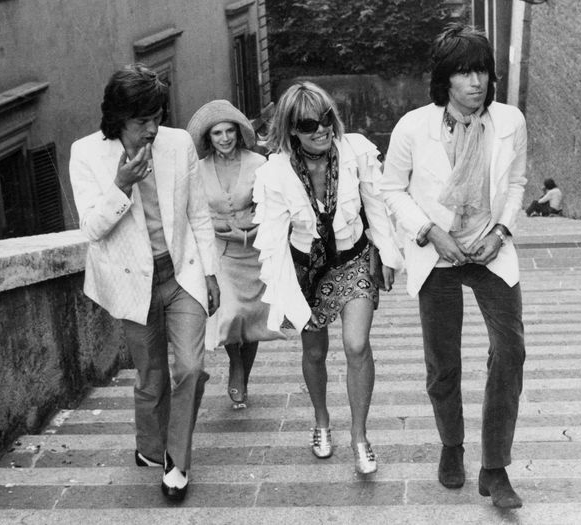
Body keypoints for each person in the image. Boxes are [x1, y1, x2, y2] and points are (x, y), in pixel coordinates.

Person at [380, 24, 527, 509]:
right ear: (445, 80)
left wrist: (502, 232)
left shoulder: (509, 121)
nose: (476, 81)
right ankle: (451, 446)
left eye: (482, 70)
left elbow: (519, 182)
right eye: (464, 72)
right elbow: (391, 189)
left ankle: (495, 466)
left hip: (489, 248)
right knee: (443, 361)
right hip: (435, 251)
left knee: (510, 351)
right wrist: (428, 231)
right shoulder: (412, 126)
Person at [69, 63, 220, 502]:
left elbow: (198, 214)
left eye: (158, 116)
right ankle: (151, 448)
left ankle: (177, 461)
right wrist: (121, 185)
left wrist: (209, 273)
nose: (153, 127)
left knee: (191, 368)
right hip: (132, 284)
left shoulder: (178, 145)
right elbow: (92, 229)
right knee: (151, 377)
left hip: (182, 275)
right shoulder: (86, 154)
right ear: (118, 118)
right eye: (142, 120)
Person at [252, 81, 404, 474]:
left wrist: (387, 253)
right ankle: (321, 421)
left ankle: (360, 437)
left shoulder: (357, 151)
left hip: (353, 260)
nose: (320, 130)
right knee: (315, 352)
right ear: (290, 130)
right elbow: (272, 241)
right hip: (306, 270)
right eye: (307, 124)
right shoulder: (275, 173)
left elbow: (377, 204)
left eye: (325, 120)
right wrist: (286, 297)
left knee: (356, 345)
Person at [186, 100, 285, 410]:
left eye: (230, 131)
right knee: (230, 312)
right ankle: (235, 365)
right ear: (208, 138)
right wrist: (219, 228)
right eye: (218, 133)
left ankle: (244, 374)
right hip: (221, 252)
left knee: (252, 317)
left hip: (255, 249)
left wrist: (251, 231)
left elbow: (272, 207)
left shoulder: (259, 163)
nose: (225, 138)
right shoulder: (198, 170)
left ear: (239, 133)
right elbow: (194, 212)